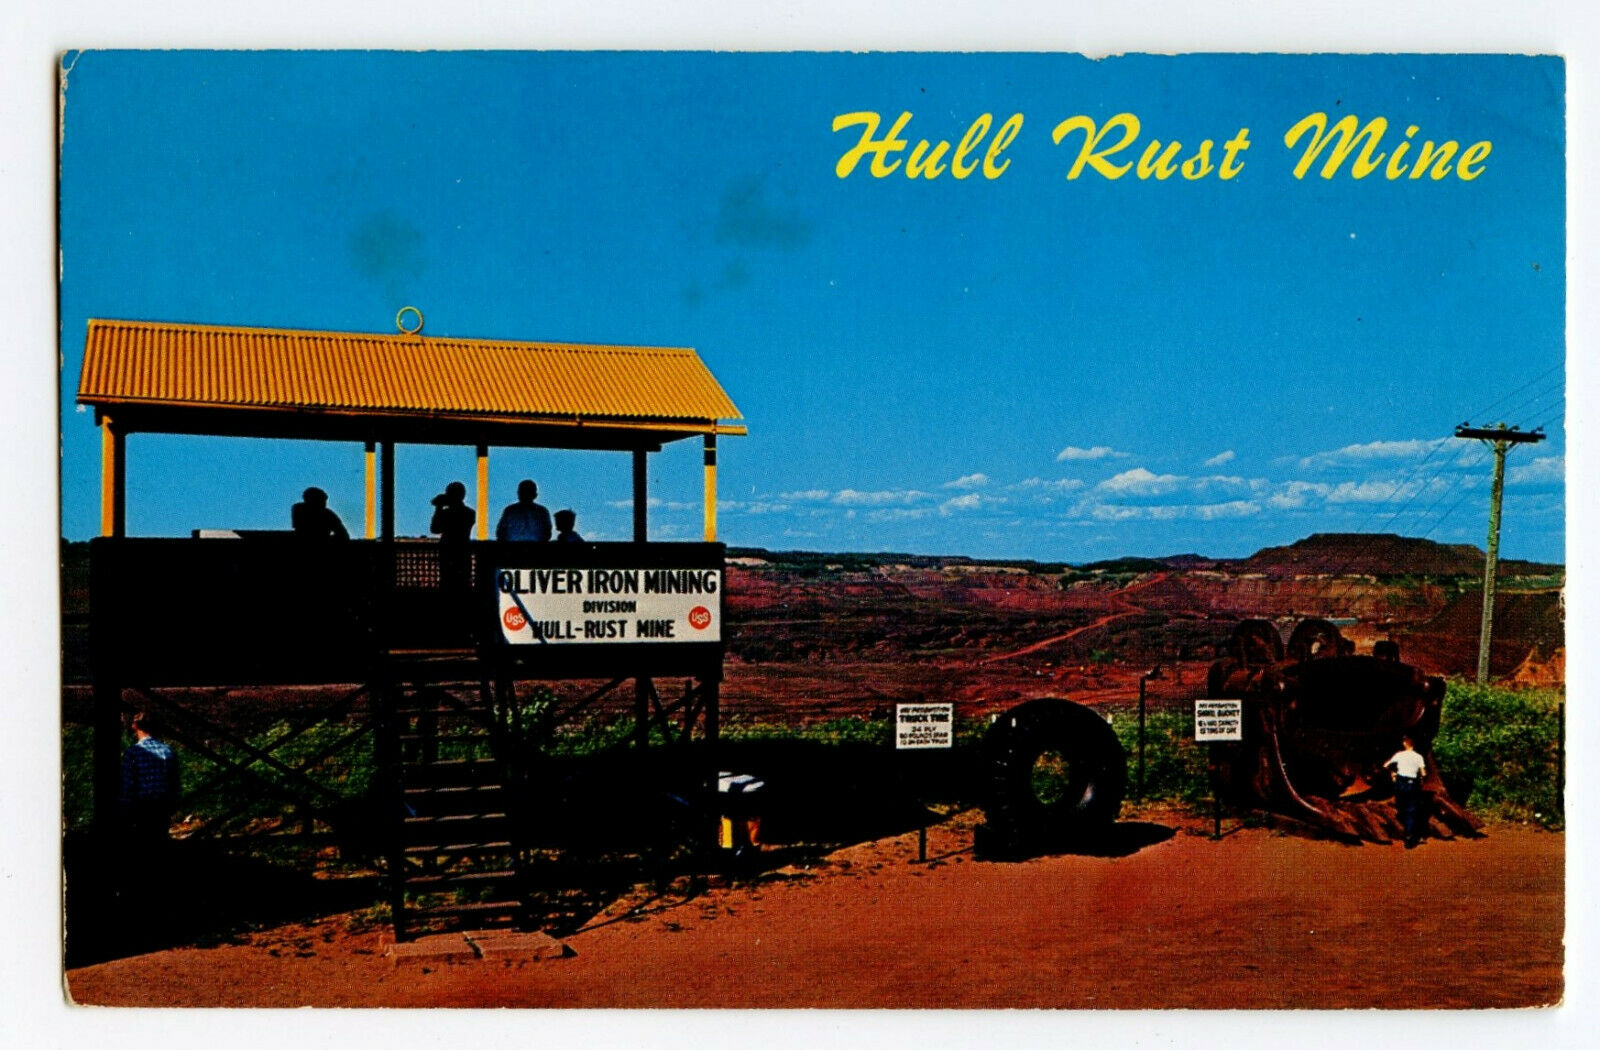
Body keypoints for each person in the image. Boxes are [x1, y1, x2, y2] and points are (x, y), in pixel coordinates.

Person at [120, 711, 180, 844]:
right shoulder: (168, 751)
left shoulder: (133, 753)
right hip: (162, 805)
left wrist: (124, 810)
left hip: (142, 807)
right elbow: (174, 782)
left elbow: (128, 785)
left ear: (134, 726)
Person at [430, 481, 475, 591]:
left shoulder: (447, 514)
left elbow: (435, 529)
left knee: (447, 584)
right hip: (463, 553)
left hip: (448, 553)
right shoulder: (470, 513)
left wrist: (439, 508)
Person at [1384, 736, 1428, 848]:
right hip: (1411, 783)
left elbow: (1385, 765)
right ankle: (1409, 834)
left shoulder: (1399, 755)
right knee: (1411, 808)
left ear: (1405, 743)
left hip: (1400, 782)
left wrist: (1392, 774)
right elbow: (1423, 773)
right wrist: (1421, 778)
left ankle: (1403, 828)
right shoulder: (1418, 757)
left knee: (1401, 805)